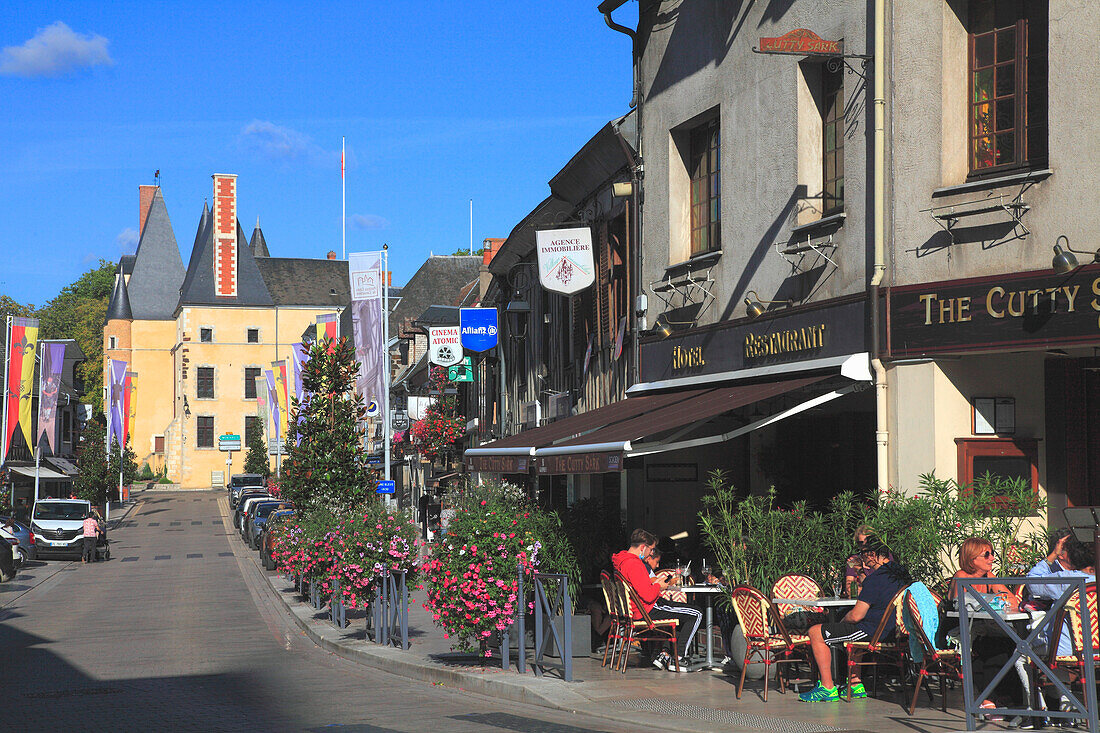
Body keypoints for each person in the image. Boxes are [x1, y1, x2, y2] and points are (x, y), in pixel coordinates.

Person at [799, 536, 910, 702]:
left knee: (815, 632)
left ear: (872, 554)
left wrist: (841, 622)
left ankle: (827, 688)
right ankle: (855, 684)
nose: (862, 558)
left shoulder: (876, 578)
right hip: (897, 630)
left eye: (863, 553)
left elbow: (856, 615)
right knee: (851, 630)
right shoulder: (901, 573)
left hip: (873, 631)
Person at [949, 536, 1023, 716]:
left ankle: (1004, 698)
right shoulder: (961, 576)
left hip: (984, 629)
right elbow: (961, 606)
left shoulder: (989, 577)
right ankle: (987, 699)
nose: (992, 558)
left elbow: (1012, 600)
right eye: (987, 555)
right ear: (972, 559)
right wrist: (994, 601)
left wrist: (997, 599)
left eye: (992, 553)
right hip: (959, 632)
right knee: (989, 647)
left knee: (1010, 645)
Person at [612, 528, 703, 672]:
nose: (651, 553)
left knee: (686, 615)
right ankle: (679, 658)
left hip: (640, 608)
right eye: (651, 549)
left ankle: (666, 654)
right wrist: (658, 586)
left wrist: (655, 585)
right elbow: (648, 595)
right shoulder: (634, 564)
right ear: (643, 547)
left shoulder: (623, 562)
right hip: (647, 609)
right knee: (696, 613)